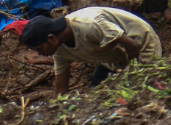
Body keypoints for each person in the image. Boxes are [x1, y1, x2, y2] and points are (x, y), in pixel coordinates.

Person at [21, 7, 163, 95]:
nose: (40, 54)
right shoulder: (59, 50)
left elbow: (132, 46)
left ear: (51, 38)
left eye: (40, 49)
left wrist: (127, 74)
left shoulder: (90, 25)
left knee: (145, 89)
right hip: (112, 54)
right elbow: (60, 88)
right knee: (95, 92)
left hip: (141, 42)